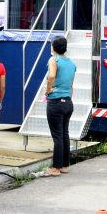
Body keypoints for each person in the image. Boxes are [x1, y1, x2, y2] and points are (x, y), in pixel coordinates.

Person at [43, 36, 76, 177]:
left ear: (53, 47)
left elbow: (51, 76)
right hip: (68, 102)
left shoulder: (53, 60)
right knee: (64, 134)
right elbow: (71, 85)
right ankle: (64, 165)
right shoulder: (72, 63)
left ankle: (56, 168)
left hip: (55, 102)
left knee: (57, 135)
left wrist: (48, 90)